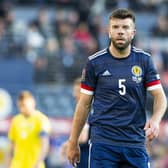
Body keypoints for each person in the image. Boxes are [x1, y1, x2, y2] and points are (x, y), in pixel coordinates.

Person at [66, 8, 167, 168]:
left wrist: (155, 120)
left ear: (133, 32)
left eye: (125, 27)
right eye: (116, 27)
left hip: (134, 143)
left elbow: (160, 96)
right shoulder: (94, 63)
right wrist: (73, 141)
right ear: (108, 32)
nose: (120, 31)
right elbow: (84, 104)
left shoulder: (144, 60)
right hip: (103, 144)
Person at [8, 91, 51, 168]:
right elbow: (12, 145)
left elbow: (45, 144)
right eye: (20, 106)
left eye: (24, 105)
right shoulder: (16, 120)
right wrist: (8, 164)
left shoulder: (41, 119)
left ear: (33, 102)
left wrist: (38, 163)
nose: (22, 109)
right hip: (17, 165)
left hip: (35, 165)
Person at [61, 78, 90, 168]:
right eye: (74, 91)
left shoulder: (87, 110)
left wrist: (67, 144)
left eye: (78, 91)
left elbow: (83, 137)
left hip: (86, 157)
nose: (74, 94)